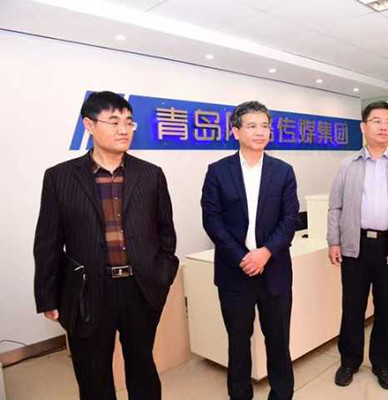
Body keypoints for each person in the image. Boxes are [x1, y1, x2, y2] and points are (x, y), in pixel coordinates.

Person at [34, 91, 179, 400]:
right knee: (92, 374)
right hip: (88, 291)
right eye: (114, 122)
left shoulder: (150, 175)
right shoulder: (60, 177)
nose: (123, 129)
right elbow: (47, 241)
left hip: (140, 288)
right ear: (89, 125)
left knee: (142, 366)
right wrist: (47, 295)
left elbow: (166, 233)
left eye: (128, 122)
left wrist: (163, 274)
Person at [201, 101, 299, 400]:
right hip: (235, 272)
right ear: (236, 131)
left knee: (278, 341)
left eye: (265, 126)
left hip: (275, 270)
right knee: (238, 343)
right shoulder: (218, 171)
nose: (260, 132)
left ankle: (281, 394)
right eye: (252, 125)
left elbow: (290, 219)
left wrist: (265, 252)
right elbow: (212, 219)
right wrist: (243, 257)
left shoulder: (283, 171)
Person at [327, 101, 388, 389]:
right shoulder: (347, 165)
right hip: (355, 246)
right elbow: (335, 207)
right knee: (352, 307)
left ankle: (383, 364)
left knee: (387, 309)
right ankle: (349, 360)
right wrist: (333, 240)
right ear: (363, 126)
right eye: (377, 121)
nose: (384, 127)